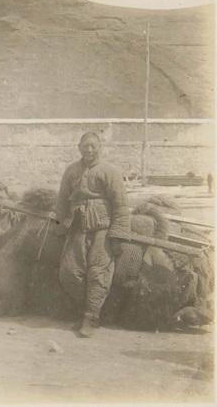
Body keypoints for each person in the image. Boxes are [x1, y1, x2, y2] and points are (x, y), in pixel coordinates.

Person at [54, 132, 129, 338]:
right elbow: (61, 203)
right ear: (78, 147)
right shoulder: (71, 171)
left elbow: (121, 205)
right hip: (76, 228)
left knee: (98, 273)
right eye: (85, 146)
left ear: (100, 148)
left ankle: (91, 317)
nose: (89, 150)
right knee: (69, 272)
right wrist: (59, 227)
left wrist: (118, 235)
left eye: (93, 146)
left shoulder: (110, 172)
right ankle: (83, 309)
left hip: (102, 229)